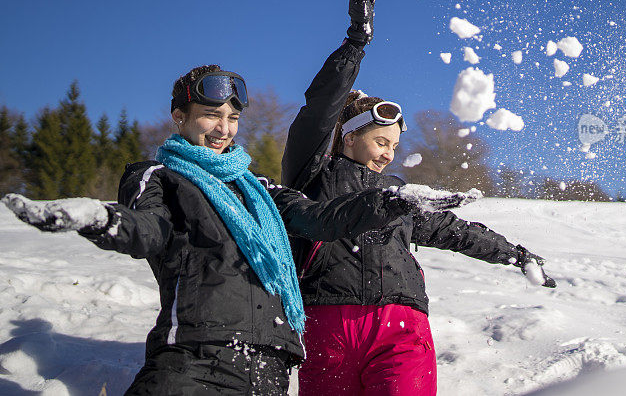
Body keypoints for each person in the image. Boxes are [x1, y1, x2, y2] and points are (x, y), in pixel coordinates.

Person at [2, 64, 423, 395]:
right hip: (195, 359)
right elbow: (148, 230)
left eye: (232, 117)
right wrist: (102, 219)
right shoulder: (160, 176)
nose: (224, 128)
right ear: (179, 117)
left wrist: (389, 202)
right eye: (210, 115)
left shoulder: (257, 188)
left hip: (270, 367)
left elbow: (320, 220)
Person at [281, 0, 556, 395]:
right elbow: (319, 109)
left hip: (400, 325)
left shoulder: (399, 196)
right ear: (349, 138)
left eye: (394, 145)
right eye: (380, 141)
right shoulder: (312, 173)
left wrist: (515, 254)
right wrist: (356, 44)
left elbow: (454, 233)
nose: (389, 153)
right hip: (328, 323)